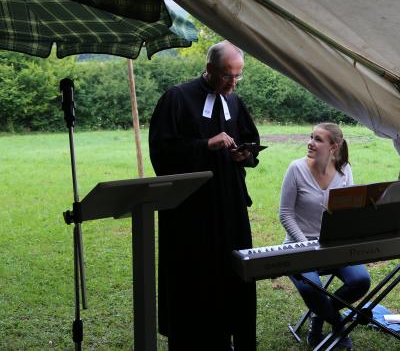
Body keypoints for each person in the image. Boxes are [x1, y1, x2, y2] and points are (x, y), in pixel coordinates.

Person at [149, 41, 260, 350]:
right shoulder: (177, 98)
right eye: (227, 75)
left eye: (238, 76)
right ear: (210, 69)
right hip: (191, 209)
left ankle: (232, 333)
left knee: (234, 272)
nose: (233, 83)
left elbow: (250, 140)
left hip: (230, 205)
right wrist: (204, 145)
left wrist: (245, 154)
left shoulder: (234, 102)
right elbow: (162, 151)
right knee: (195, 276)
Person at [279, 123, 371, 348]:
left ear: (333, 147)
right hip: (299, 246)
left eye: (318, 139)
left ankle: (319, 315)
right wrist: (306, 245)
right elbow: (285, 213)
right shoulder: (296, 168)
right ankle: (339, 325)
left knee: (361, 281)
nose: (310, 142)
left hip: (333, 245)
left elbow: (349, 210)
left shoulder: (344, 170)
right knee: (312, 289)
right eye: (311, 137)